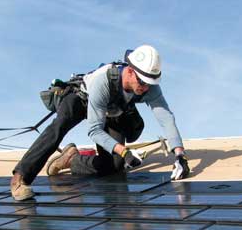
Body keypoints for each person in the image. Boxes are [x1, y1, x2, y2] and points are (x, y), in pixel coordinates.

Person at [10, 45, 190, 201]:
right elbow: (94, 130)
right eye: (142, 82)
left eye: (150, 83)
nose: (145, 88)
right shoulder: (103, 81)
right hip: (82, 99)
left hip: (111, 110)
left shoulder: (149, 87)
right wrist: (124, 151)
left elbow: (165, 116)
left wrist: (180, 155)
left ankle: (71, 159)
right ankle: (20, 178)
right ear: (129, 70)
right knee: (59, 126)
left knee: (114, 167)